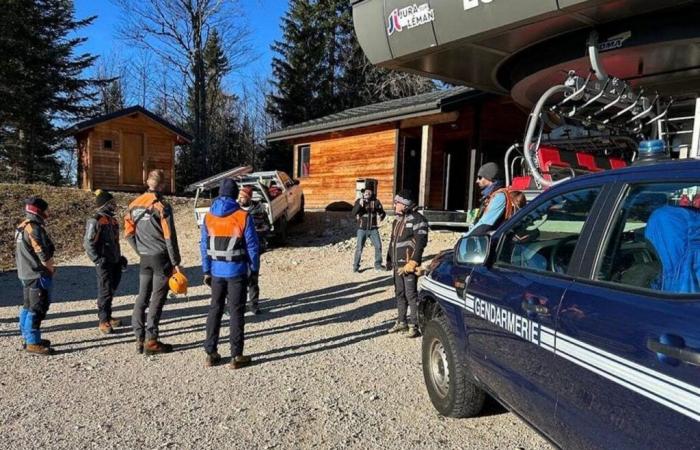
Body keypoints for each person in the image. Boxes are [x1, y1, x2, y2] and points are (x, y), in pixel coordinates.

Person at [201, 178, 260, 368]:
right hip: (237, 271)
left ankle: (211, 353)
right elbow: (252, 246)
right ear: (236, 195)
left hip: (216, 272)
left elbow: (204, 245)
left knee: (215, 310)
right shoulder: (243, 216)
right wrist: (254, 271)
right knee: (236, 312)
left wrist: (206, 270)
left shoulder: (209, 216)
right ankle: (236, 356)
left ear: (219, 193)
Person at [124, 169, 182, 355]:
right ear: (163, 185)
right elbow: (169, 237)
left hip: (145, 257)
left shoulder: (133, 205)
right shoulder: (162, 206)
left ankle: (139, 337)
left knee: (142, 297)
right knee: (157, 299)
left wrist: (139, 250)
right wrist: (176, 262)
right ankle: (152, 340)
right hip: (161, 257)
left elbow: (128, 234)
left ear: (147, 182)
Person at [15, 197, 56, 355]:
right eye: (46, 210)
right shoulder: (34, 228)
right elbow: (43, 253)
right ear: (39, 211)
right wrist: (50, 269)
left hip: (25, 273)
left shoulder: (21, 226)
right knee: (38, 307)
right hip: (36, 274)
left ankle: (27, 337)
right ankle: (33, 342)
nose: (48, 213)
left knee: (28, 306)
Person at [84, 189, 127, 334]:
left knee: (112, 288)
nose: (114, 205)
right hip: (103, 262)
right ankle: (103, 320)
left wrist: (120, 258)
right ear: (105, 204)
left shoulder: (113, 220)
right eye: (112, 203)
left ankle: (108, 315)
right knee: (105, 290)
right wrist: (97, 259)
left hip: (114, 261)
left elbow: (115, 242)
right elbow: (88, 243)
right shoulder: (95, 220)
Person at [386, 190, 428, 338]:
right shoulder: (397, 220)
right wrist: (389, 259)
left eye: (397, 203)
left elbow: (421, 242)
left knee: (411, 295)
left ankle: (414, 325)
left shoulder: (418, 219)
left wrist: (414, 261)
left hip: (408, 265)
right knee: (399, 293)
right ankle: (401, 321)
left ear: (405, 204)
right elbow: (393, 242)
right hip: (397, 265)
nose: (395, 205)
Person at [466, 162, 520, 237]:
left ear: (490, 178)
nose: (477, 181)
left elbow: (484, 225)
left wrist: (465, 239)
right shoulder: (490, 196)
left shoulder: (499, 197)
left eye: (480, 177)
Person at [238, 186, 261, 315]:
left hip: (253, 249)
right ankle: (236, 305)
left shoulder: (258, 209)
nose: (241, 199)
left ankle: (254, 304)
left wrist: (257, 234)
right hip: (238, 250)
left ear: (249, 198)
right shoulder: (235, 210)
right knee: (237, 280)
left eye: (244, 197)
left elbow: (265, 226)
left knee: (253, 279)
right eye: (240, 196)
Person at [351, 188, 386, 272]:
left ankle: (378, 265)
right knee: (359, 248)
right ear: (363, 194)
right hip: (362, 229)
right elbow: (353, 213)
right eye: (365, 192)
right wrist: (359, 205)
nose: (367, 193)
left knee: (378, 246)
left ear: (372, 193)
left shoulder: (376, 202)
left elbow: (382, 212)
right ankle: (356, 267)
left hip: (373, 229)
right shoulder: (359, 201)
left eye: (369, 192)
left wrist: (382, 216)